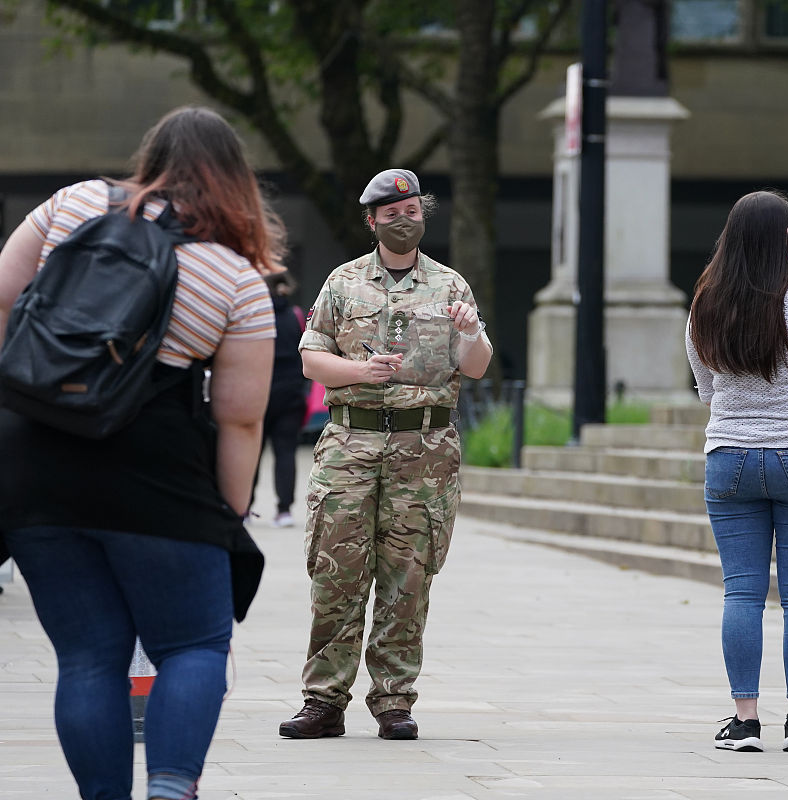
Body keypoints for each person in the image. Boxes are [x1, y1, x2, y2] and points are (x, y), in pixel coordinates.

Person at [0, 106, 283, 800]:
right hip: (155, 469)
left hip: (35, 462)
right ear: (236, 181)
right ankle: (170, 788)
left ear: (151, 156)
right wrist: (230, 513)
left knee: (87, 657)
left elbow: (3, 297)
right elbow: (241, 418)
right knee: (193, 645)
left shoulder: (73, 204)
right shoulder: (235, 278)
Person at [278, 168, 492, 741]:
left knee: (408, 577)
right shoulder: (343, 282)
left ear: (423, 215)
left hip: (425, 452)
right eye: (391, 214)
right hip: (351, 445)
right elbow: (311, 360)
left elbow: (476, 365)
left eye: (412, 211)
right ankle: (324, 700)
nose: (404, 220)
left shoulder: (450, 286)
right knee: (336, 573)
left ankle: (394, 701)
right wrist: (359, 371)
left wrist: (471, 331)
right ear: (371, 221)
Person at [685, 190, 788, 753]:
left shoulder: (706, 305)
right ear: (784, 240)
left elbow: (706, 389)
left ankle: (745, 722)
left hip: (729, 457)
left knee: (742, 594)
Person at [255, 270, 308, 528]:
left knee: (251, 451)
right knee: (286, 452)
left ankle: (244, 508)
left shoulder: (255, 316)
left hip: (259, 394)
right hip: (291, 396)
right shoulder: (296, 315)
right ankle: (284, 511)